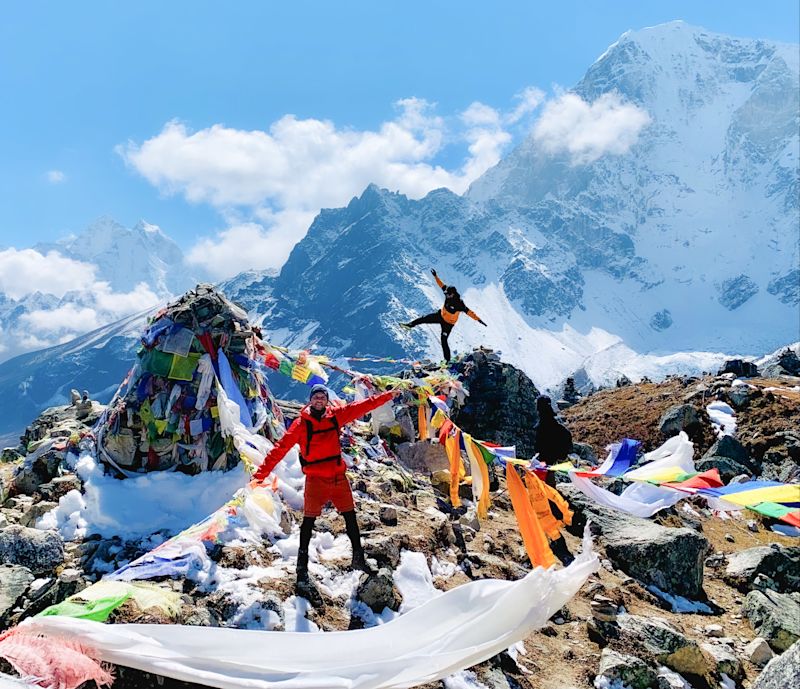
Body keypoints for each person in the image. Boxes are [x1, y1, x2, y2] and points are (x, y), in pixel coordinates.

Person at [253, 383, 399, 604]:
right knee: (308, 523)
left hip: (338, 477)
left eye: (323, 396)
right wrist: (260, 475)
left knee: (350, 517)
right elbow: (280, 448)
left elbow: (362, 406)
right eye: (316, 397)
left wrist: (388, 396)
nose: (319, 400)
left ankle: (358, 558)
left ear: (327, 399)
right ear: (311, 400)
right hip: (315, 480)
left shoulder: (336, 416)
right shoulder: (301, 425)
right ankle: (301, 567)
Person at [401, 269, 486, 361]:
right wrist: (435, 276)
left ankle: (447, 361)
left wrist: (478, 319)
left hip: (448, 324)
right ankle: (410, 325)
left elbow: (469, 312)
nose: (446, 295)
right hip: (440, 315)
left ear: (453, 294)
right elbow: (441, 284)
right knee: (424, 318)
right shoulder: (447, 293)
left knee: (444, 341)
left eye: (448, 294)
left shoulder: (459, 304)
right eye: (446, 294)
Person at [532, 394, 575, 565]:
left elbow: (538, 444)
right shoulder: (555, 424)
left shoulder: (541, 425)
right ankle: (553, 513)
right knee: (551, 490)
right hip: (551, 464)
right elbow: (565, 439)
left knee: (544, 490)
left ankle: (550, 518)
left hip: (542, 464)